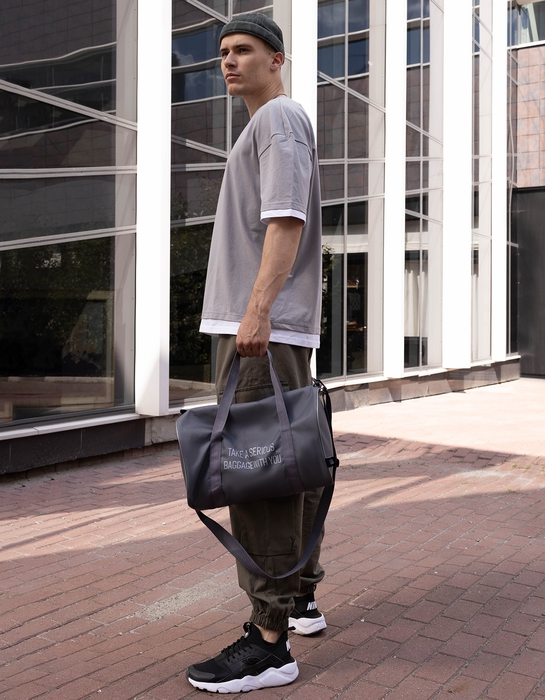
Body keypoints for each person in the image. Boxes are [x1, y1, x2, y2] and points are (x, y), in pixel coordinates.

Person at [185, 12, 326, 693]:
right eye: (222, 51)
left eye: (243, 49)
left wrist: (258, 309)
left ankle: (269, 644)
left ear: (277, 59)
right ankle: (299, 600)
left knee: (258, 477)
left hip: (261, 332)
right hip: (267, 330)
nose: (229, 61)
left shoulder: (278, 118)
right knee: (290, 463)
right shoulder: (266, 124)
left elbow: (285, 220)